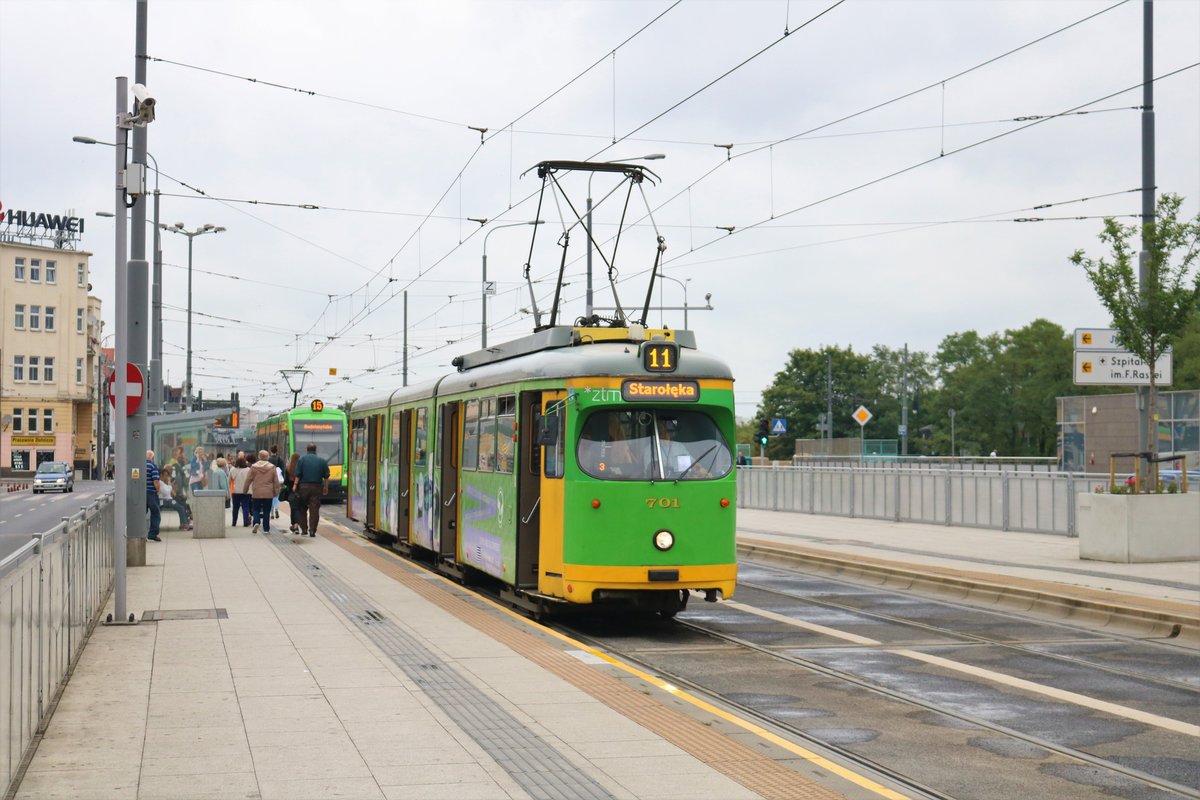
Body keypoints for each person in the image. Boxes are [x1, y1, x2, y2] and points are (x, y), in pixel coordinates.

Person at [293, 443, 330, 538]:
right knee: (314, 509)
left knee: (302, 508)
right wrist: (326, 487)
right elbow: (326, 476)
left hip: (303, 487)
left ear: (307, 449)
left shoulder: (302, 459)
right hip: (317, 487)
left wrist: (295, 485)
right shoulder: (322, 461)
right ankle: (312, 530)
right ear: (315, 449)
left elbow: (298, 474)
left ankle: (304, 529)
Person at [243, 450, 280, 533]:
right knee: (267, 510)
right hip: (268, 492)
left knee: (255, 509)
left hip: (257, 492)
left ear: (259, 456)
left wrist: (245, 490)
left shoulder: (254, 467)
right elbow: (276, 481)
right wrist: (276, 492)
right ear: (268, 457)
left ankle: (256, 521)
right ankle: (266, 529)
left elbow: (248, 480)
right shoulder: (272, 467)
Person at [157, 464, 192, 530]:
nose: (167, 477)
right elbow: (166, 492)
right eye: (166, 475)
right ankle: (184, 524)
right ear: (161, 475)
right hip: (165, 500)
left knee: (182, 504)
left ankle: (185, 522)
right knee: (180, 507)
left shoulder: (163, 483)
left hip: (168, 499)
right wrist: (170, 485)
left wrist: (169, 486)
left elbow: (171, 491)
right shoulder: (160, 483)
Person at [229, 455, 253, 527]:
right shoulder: (248, 470)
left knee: (235, 508)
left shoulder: (233, 469)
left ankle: (234, 522)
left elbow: (229, 480)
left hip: (235, 491)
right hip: (246, 491)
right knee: (245, 507)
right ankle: (245, 522)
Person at [284, 452, 303, 534]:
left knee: (293, 509)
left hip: (291, 492)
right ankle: (296, 525)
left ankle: (294, 525)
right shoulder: (301, 469)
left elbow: (285, 482)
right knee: (299, 508)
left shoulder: (288, 469)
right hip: (300, 491)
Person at [146, 449, 162, 542]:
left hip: (142, 494)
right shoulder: (153, 466)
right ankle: (152, 534)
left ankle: (139, 534)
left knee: (141, 514)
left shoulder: (140, 465)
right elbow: (155, 481)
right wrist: (158, 490)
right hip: (151, 493)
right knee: (155, 513)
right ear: (152, 457)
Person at [268, 446, 286, 519]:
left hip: (270, 480)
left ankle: (271, 513)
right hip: (278, 481)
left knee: (271, 496)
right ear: (277, 451)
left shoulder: (268, 460)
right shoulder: (280, 460)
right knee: (276, 496)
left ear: (271, 451)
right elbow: (283, 471)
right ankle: (276, 508)